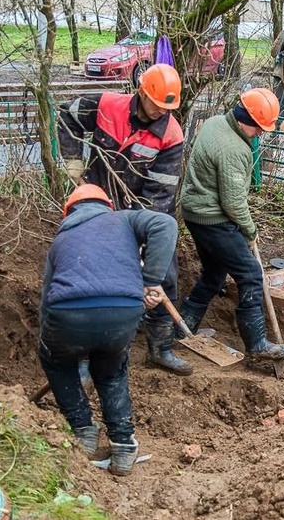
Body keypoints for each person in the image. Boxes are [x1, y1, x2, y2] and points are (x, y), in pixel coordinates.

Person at [57, 63, 192, 376]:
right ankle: (87, 356)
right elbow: (67, 115)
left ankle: (161, 348)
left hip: (142, 209)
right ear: (142, 92)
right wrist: (75, 165)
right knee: (94, 275)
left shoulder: (170, 135)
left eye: (167, 108)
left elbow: (160, 195)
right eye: (157, 105)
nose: (161, 112)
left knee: (165, 272)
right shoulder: (107, 105)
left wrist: (144, 244)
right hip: (97, 202)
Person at [38, 184, 178, 476]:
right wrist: (152, 281)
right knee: (111, 371)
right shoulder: (125, 220)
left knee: (56, 359)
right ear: (106, 205)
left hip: (67, 313)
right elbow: (165, 223)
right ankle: (124, 445)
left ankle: (83, 430)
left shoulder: (61, 239)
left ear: (69, 212)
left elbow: (46, 299)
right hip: (122, 310)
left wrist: (52, 342)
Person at [178, 88, 284, 360]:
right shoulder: (233, 148)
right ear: (249, 121)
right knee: (251, 274)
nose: (261, 133)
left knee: (214, 272)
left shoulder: (215, 122)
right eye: (260, 128)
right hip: (213, 219)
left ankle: (183, 325)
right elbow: (233, 202)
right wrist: (249, 229)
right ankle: (257, 346)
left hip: (195, 212)